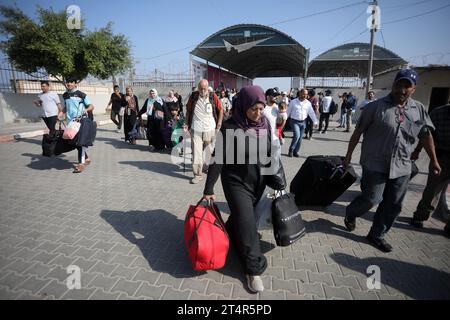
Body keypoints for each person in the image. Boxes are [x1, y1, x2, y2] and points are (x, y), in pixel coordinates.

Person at [343, 69, 441, 252]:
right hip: (374, 163)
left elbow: (426, 136)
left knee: (393, 203)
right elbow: (357, 133)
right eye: (399, 85)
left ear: (414, 89)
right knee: (372, 198)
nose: (402, 90)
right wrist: (348, 156)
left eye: (407, 86)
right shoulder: (375, 107)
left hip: (402, 165)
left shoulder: (418, 109)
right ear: (393, 85)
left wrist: (434, 160)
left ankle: (376, 235)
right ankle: (351, 212)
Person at [202, 85, 280, 293]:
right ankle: (253, 270)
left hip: (258, 183)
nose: (258, 113)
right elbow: (217, 159)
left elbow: (270, 153)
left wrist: (277, 179)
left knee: (240, 219)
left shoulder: (265, 124)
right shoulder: (229, 127)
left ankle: (227, 234)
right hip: (236, 183)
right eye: (253, 109)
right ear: (243, 105)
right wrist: (209, 188)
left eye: (261, 108)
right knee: (248, 224)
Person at [410, 104, 449, 237]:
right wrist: (417, 150)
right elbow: (426, 134)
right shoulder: (439, 113)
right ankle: (420, 216)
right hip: (443, 158)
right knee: (432, 190)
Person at [186, 79, 223, 184]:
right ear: (198, 88)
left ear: (208, 88)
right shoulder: (193, 96)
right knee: (197, 152)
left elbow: (220, 110)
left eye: (205, 88)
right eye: (201, 88)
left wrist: (219, 123)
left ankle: (205, 167)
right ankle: (198, 175)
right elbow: (188, 111)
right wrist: (186, 123)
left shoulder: (213, 96)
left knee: (208, 151)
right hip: (195, 129)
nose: (203, 90)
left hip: (210, 129)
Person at [58, 77, 95, 174]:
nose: (68, 84)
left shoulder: (81, 94)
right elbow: (67, 106)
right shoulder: (65, 95)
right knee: (74, 141)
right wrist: (61, 113)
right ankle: (86, 158)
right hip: (70, 122)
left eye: (71, 82)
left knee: (80, 142)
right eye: (67, 82)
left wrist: (86, 110)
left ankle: (81, 164)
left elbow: (91, 106)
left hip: (81, 120)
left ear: (75, 83)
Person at [286, 88, 318, 158]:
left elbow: (311, 113)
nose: (305, 95)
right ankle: (291, 150)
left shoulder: (308, 103)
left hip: (303, 122)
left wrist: (315, 121)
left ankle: (295, 151)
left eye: (306, 94)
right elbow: (288, 112)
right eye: (303, 94)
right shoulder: (293, 102)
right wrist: (284, 119)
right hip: (294, 121)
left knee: (300, 139)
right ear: (300, 93)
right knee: (296, 136)